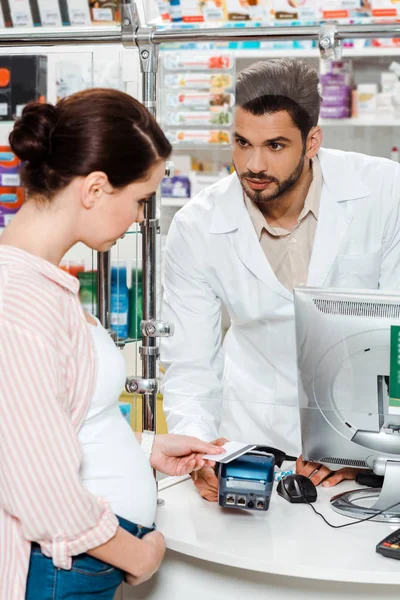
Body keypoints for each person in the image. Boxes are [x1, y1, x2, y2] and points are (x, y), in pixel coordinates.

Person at [0, 88, 224, 600]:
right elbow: (39, 491)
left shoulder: (43, 285)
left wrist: (145, 448)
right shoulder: (17, 304)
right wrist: (137, 555)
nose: (138, 218)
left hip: (78, 565)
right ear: (95, 188)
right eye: (140, 199)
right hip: (61, 569)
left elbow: (54, 420)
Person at [160, 58, 400, 501]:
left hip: (364, 450)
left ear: (312, 141)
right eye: (241, 143)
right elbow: (191, 364)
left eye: (274, 145)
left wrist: (366, 446)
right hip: (249, 444)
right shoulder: (198, 225)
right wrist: (200, 451)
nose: (253, 164)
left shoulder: (384, 191)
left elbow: (396, 337)